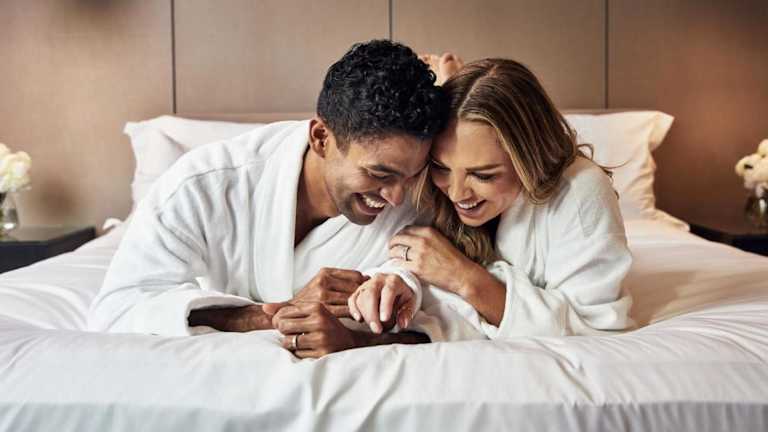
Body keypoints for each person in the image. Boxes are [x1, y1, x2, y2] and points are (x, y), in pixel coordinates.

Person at [88, 40, 449, 358]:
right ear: (321, 137)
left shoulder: (420, 201)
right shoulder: (205, 184)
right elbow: (117, 309)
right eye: (379, 174)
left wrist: (360, 337)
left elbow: (444, 323)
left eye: (411, 175)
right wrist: (272, 316)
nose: (397, 196)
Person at [348, 56, 634, 341]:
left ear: (529, 157)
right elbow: (423, 257)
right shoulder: (428, 181)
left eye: (482, 175)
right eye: (442, 167)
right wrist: (397, 280)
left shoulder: (581, 190)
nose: (456, 193)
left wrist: (464, 278)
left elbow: (594, 331)